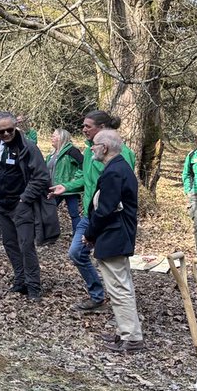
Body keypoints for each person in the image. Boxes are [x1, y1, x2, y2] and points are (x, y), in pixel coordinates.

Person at [50, 110, 136, 313]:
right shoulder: (90, 151)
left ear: (102, 128)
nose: (83, 130)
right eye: (83, 125)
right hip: (90, 215)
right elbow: (87, 180)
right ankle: (98, 296)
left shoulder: (122, 154)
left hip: (110, 217)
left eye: (88, 126)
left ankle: (124, 312)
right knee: (76, 253)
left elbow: (121, 188)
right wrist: (67, 187)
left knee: (115, 264)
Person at [0, 112, 59, 301]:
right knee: (10, 244)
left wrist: (25, 199)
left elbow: (41, 176)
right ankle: (20, 280)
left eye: (10, 129)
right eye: (2, 131)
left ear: (15, 127)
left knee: (26, 245)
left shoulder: (28, 147)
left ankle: (34, 285)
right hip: (0, 205)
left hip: (21, 205)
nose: (7, 134)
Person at [85, 129, 143, 354]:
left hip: (114, 236)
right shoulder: (118, 168)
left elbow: (105, 210)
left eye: (95, 144)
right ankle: (124, 333)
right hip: (116, 235)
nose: (92, 147)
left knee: (119, 288)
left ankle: (133, 338)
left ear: (105, 148)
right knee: (120, 286)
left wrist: (90, 234)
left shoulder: (114, 172)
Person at [46, 129, 84, 233]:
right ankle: (49, 234)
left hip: (69, 188)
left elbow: (84, 165)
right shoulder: (52, 154)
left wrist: (75, 179)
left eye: (54, 136)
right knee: (48, 211)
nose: (51, 138)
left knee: (74, 214)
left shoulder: (71, 151)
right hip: (55, 188)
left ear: (61, 138)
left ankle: (78, 235)